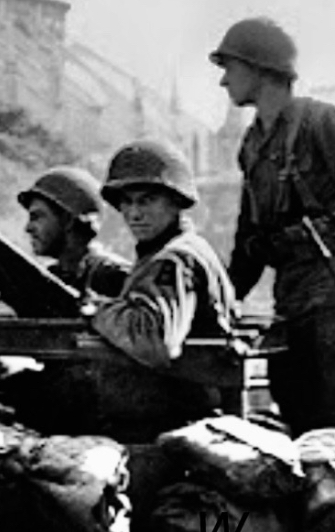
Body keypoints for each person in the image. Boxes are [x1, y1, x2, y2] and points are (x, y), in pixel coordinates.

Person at [209, 16, 335, 454]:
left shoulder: (329, 124)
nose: (223, 81)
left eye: (230, 67)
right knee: (301, 418)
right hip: (292, 302)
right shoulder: (251, 147)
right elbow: (248, 241)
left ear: (260, 68)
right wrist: (218, 302)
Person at [91, 139, 237, 435]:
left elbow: (154, 340)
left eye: (146, 201)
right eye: (127, 202)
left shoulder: (174, 260)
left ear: (176, 201)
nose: (134, 214)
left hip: (176, 421)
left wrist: (94, 310)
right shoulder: (175, 251)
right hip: (179, 413)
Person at [16, 166, 129, 308]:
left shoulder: (114, 278)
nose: (28, 228)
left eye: (37, 217)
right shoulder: (52, 276)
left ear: (68, 220)